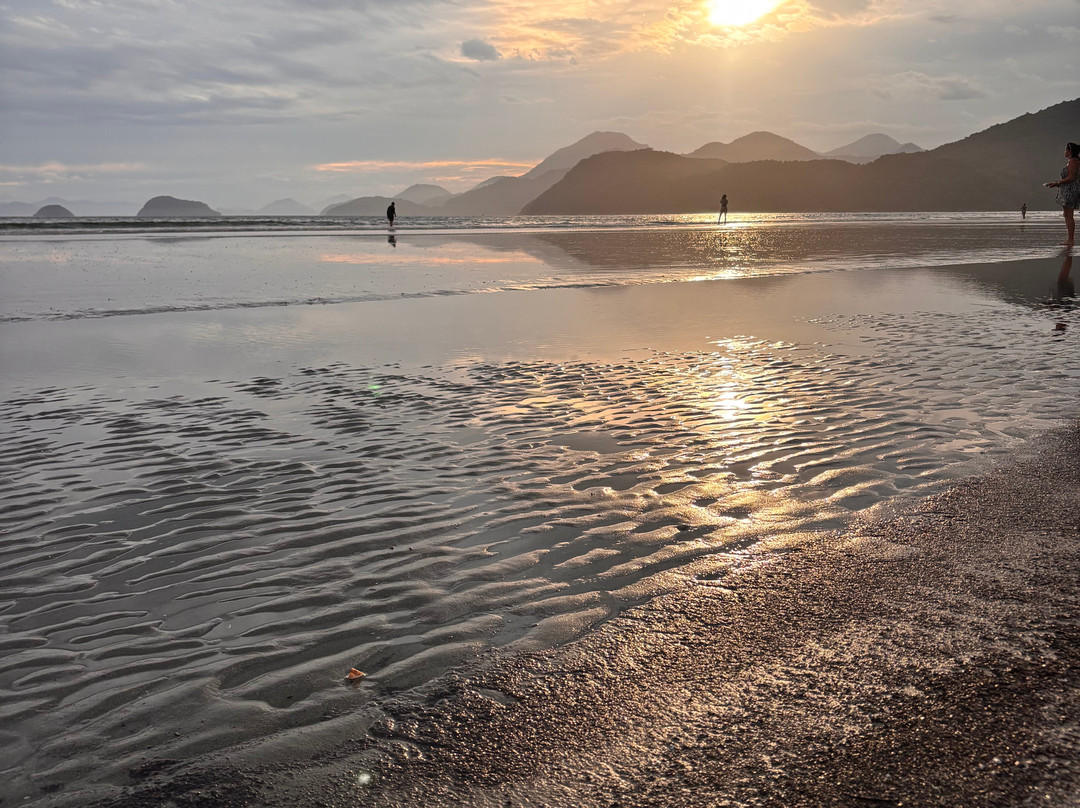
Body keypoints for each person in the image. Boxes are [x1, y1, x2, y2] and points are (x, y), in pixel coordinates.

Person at [1043, 142, 1079, 244]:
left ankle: (1070, 239)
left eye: (1065, 149)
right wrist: (1057, 183)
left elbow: (1072, 177)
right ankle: (1070, 238)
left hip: (1070, 191)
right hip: (1068, 189)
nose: (1064, 151)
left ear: (1070, 151)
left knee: (1068, 215)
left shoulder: (1073, 161)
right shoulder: (1073, 161)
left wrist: (1058, 182)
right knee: (1067, 214)